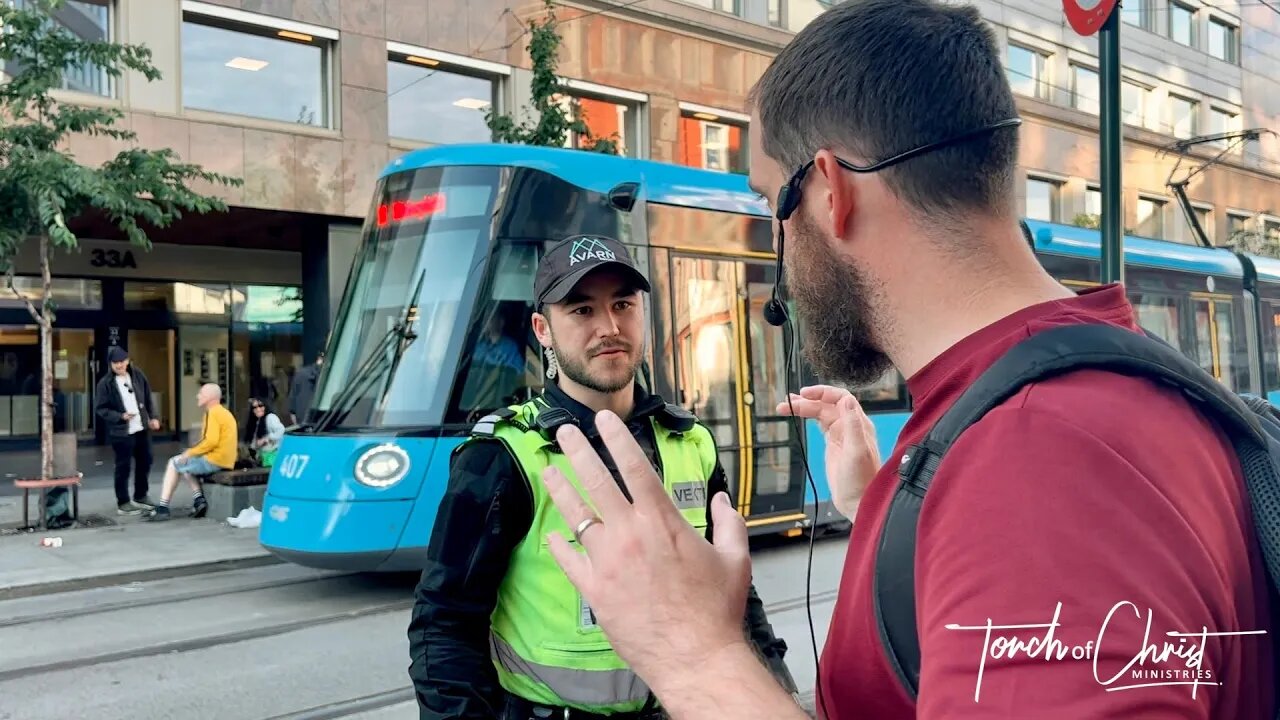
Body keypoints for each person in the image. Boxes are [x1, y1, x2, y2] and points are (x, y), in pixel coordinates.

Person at [528, 1, 1277, 719]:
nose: (778, 254)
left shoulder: (1034, 458)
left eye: (770, 207)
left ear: (829, 191)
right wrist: (892, 518)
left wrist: (693, 655)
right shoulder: (1064, 404)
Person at [407, 234, 797, 720]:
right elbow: (444, 625)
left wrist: (777, 690)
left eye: (623, 304)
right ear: (542, 329)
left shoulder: (690, 441)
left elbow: (735, 594)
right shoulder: (502, 455)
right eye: (581, 310)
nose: (609, 327)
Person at [147, 383, 236, 521]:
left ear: (210, 397)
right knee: (187, 466)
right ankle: (199, 500)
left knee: (174, 463)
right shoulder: (224, 413)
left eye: (201, 394)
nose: (197, 396)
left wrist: (190, 452)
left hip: (215, 460)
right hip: (225, 459)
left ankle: (163, 507)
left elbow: (210, 441)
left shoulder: (213, 413)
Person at [93, 346, 161, 515]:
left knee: (145, 461)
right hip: (121, 432)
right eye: (115, 363)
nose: (119, 365)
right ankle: (123, 501)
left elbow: (148, 398)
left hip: (141, 427)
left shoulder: (138, 375)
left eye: (122, 362)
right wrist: (120, 416)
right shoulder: (105, 383)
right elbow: (101, 408)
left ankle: (141, 495)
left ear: (128, 360)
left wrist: (153, 417)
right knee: (123, 466)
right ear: (110, 364)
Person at [241, 397, 285, 467]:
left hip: (273, 455)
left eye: (260, 406)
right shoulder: (255, 422)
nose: (258, 409)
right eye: (254, 407)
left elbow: (281, 431)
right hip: (262, 457)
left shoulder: (270, 417)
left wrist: (267, 439)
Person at [289, 350, 324, 426]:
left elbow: (292, 405)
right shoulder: (329, 375)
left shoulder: (300, 374)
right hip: (323, 423)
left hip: (302, 422)